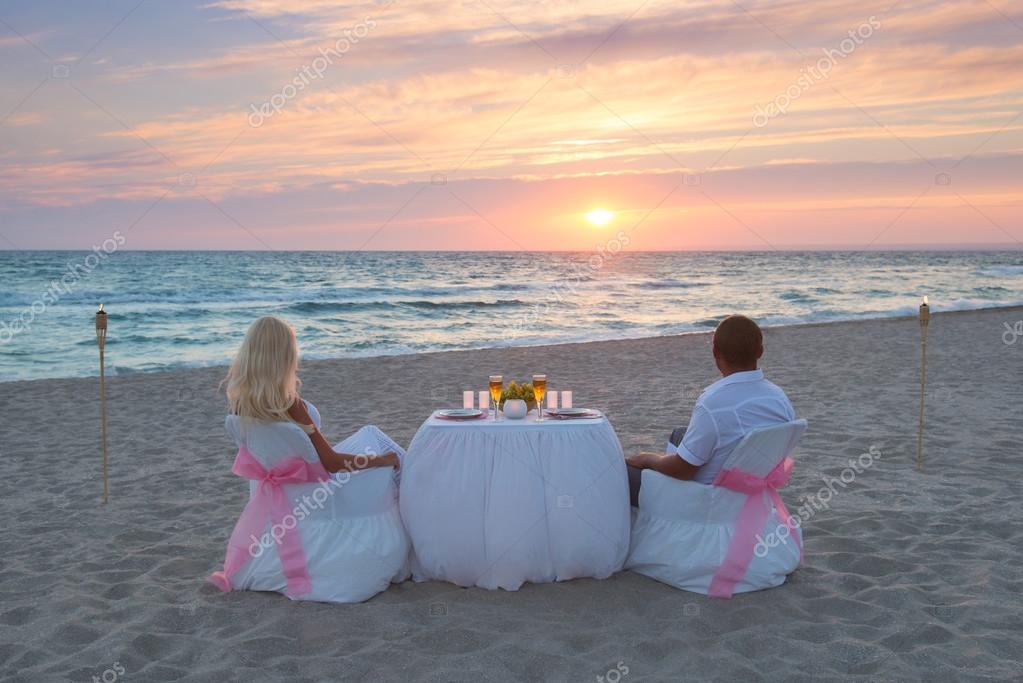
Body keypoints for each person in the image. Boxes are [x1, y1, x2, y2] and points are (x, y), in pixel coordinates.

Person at [625, 315, 795, 506]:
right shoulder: (779, 398)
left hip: (706, 498)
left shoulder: (713, 402)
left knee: (624, 472)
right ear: (760, 351)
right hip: (748, 489)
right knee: (680, 434)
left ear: (715, 352)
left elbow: (682, 470)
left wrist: (647, 458)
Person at [225, 315, 400, 473]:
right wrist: (383, 460)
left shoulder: (239, 407)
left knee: (371, 435)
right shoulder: (290, 406)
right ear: (286, 356)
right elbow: (332, 463)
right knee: (385, 449)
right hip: (317, 492)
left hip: (283, 490)